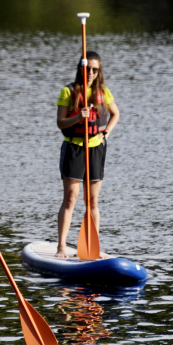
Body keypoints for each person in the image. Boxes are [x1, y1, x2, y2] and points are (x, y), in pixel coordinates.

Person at [55, 51, 120, 258]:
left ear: (99, 71)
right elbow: (60, 122)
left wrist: (106, 132)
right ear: (80, 69)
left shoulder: (103, 92)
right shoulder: (68, 91)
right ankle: (61, 246)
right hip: (75, 148)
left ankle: (93, 247)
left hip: (96, 149)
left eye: (94, 69)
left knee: (92, 201)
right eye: (87, 69)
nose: (90, 73)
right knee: (70, 198)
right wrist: (77, 118)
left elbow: (115, 114)